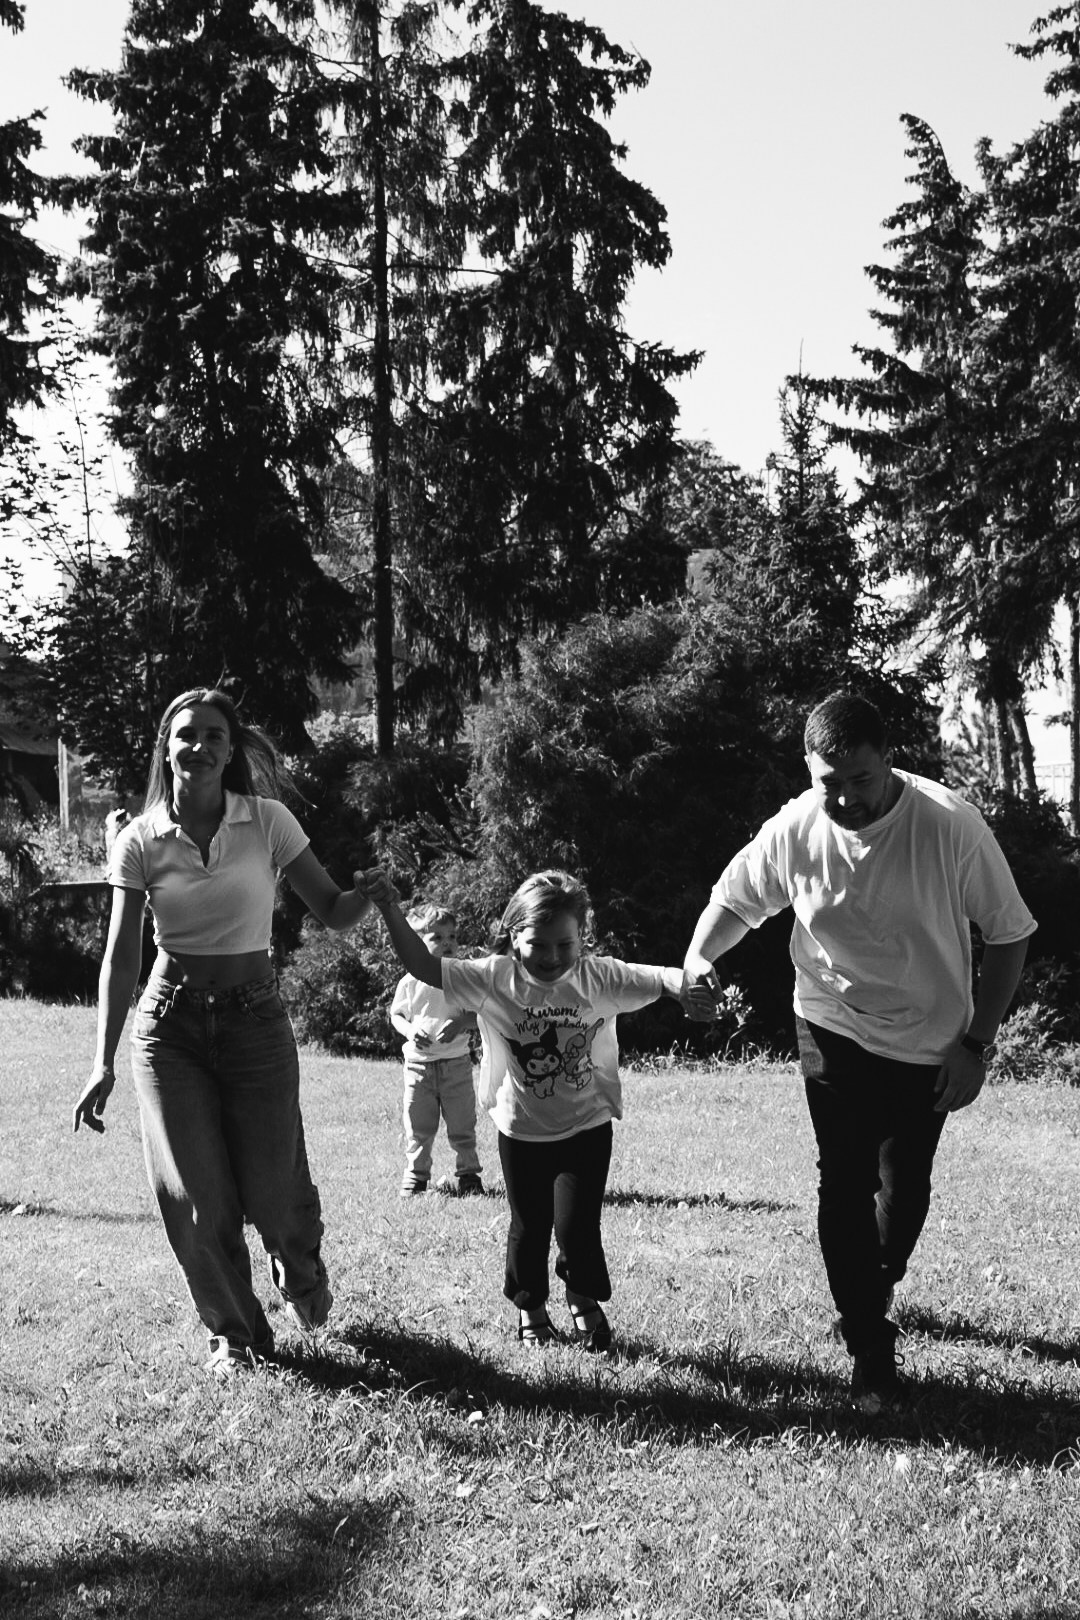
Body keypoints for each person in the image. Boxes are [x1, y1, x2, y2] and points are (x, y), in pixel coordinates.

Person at [683, 692, 1036, 1414]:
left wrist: (977, 1045)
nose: (843, 799)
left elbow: (1009, 936)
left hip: (929, 1037)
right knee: (842, 1181)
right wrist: (696, 957)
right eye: (828, 783)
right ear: (808, 771)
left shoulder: (948, 827)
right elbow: (738, 899)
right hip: (831, 1021)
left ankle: (874, 1284)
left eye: (860, 782)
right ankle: (871, 1348)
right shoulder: (796, 827)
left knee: (903, 1191)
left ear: (889, 764)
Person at [72, 687, 377, 1377]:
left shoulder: (266, 821)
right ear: (166, 747)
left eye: (214, 735)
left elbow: (330, 908)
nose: (200, 747)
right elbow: (121, 957)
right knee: (196, 1194)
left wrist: (372, 893)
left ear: (231, 749)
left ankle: (296, 1264)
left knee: (272, 1186)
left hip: (254, 1020)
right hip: (168, 1026)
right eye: (187, 735)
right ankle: (234, 1332)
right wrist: (102, 1060)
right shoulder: (140, 839)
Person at [364, 867, 715, 1352]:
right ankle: (531, 1308)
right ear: (514, 937)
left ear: (581, 939)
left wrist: (689, 987)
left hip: (586, 1127)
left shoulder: (599, 977)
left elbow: (661, 978)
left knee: (578, 1225)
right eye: (538, 944)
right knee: (529, 1226)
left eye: (564, 945)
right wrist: (388, 908)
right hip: (521, 1131)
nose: (552, 957)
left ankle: (581, 1296)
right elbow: (424, 967)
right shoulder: (493, 978)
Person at [390, 904, 483, 1198]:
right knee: (419, 1126)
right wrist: (409, 1030)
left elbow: (480, 1015)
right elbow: (396, 1015)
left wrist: (460, 1023)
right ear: (416, 945)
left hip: (456, 1063)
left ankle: (468, 1174)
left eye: (453, 936)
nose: (448, 943)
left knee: (462, 1125)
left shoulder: (461, 977)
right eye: (438, 937)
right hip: (419, 1067)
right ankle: (416, 1176)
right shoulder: (409, 981)